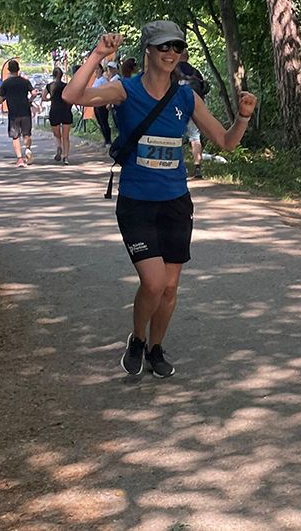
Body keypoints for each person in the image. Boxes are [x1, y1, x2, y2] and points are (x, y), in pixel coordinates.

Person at [62, 20, 257, 379]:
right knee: (153, 282)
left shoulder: (186, 97)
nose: (171, 53)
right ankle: (137, 339)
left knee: (169, 288)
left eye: (177, 47)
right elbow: (72, 97)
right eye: (163, 47)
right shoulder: (125, 91)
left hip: (175, 203)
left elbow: (226, 142)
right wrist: (98, 55)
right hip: (137, 201)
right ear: (147, 51)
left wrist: (243, 117)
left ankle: (155, 348)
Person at [0, 60, 35, 167]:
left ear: (9, 70)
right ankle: (28, 149)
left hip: (13, 113)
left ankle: (20, 159)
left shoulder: (6, 83)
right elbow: (34, 93)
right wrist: (30, 100)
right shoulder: (25, 81)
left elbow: (0, 99)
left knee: (15, 136)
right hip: (25, 110)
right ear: (18, 69)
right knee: (27, 134)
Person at [176, 49, 209, 179]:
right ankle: (197, 167)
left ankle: (180, 167)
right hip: (194, 108)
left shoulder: (174, 71)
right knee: (195, 138)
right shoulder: (196, 72)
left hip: (177, 109)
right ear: (188, 57)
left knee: (176, 137)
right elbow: (204, 90)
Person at [43, 67, 73, 164]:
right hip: (65, 111)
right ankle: (66, 157)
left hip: (54, 110)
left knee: (57, 135)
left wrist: (50, 99)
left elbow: (43, 98)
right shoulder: (66, 86)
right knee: (66, 136)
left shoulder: (49, 86)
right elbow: (70, 98)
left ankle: (59, 147)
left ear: (53, 75)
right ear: (62, 75)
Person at [91, 63, 115, 146]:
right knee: (100, 122)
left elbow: (107, 91)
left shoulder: (103, 80)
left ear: (101, 70)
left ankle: (108, 140)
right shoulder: (96, 80)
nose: (96, 71)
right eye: (95, 69)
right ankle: (105, 139)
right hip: (96, 103)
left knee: (104, 122)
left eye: (97, 69)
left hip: (102, 103)